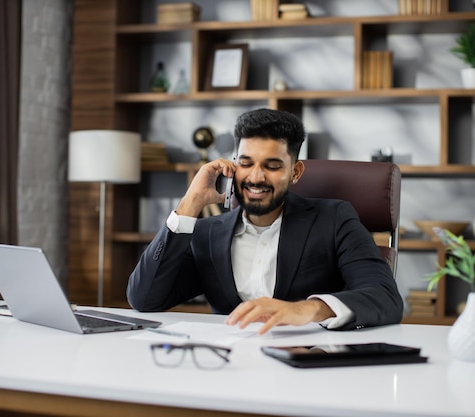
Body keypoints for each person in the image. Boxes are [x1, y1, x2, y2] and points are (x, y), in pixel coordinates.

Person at [127, 108, 403, 333]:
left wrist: (305, 309)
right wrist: (190, 203)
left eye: (271, 166)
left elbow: (385, 297)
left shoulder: (333, 219)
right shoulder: (207, 233)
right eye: (246, 164)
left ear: (295, 172)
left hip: (307, 366)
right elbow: (145, 299)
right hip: (227, 367)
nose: (256, 177)